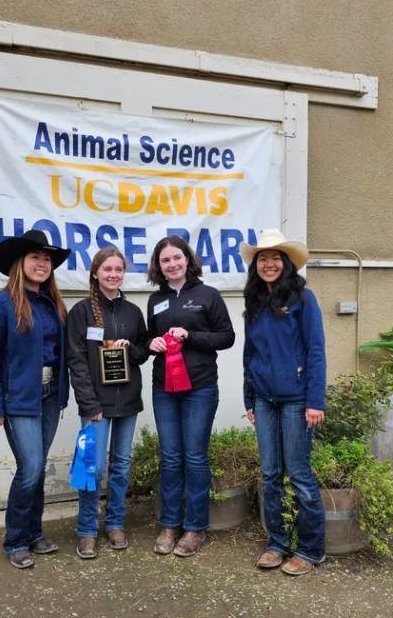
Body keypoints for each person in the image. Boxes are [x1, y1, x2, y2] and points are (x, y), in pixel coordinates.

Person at [0, 230, 70, 569]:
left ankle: (33, 533)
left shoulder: (52, 304)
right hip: (18, 399)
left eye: (47, 259)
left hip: (49, 396)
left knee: (39, 468)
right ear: (20, 263)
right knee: (29, 469)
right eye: (35, 258)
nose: (42, 264)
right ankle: (15, 540)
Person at [240, 228, 326, 576]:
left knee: (301, 476)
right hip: (264, 400)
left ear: (287, 263)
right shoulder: (256, 304)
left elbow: (316, 352)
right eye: (263, 258)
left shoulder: (304, 300)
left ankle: (310, 549)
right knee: (270, 474)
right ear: (256, 265)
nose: (269, 263)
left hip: (296, 401)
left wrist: (315, 401)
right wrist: (249, 397)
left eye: (276, 257)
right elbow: (250, 355)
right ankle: (277, 544)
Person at [147, 235, 235, 557]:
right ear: (159, 266)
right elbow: (147, 338)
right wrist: (151, 344)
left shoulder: (209, 296)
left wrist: (191, 335)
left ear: (187, 260)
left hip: (199, 388)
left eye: (176, 258)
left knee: (194, 457)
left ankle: (195, 527)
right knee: (170, 456)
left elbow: (227, 337)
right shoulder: (155, 300)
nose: (172, 264)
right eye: (165, 260)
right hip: (164, 389)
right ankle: (169, 524)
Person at [67, 247, 149, 559]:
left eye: (118, 269)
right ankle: (87, 528)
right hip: (95, 406)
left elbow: (143, 352)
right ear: (95, 273)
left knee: (121, 465)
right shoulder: (81, 312)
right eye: (107, 269)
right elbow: (76, 360)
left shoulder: (132, 311)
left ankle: (115, 522)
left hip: (128, 401)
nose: (113, 274)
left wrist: (131, 349)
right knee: (93, 466)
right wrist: (89, 403)